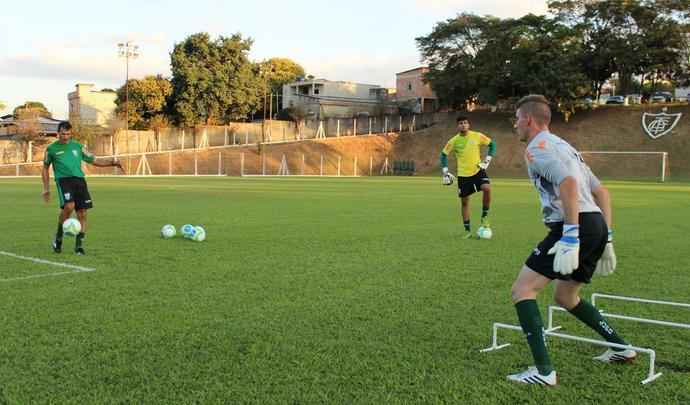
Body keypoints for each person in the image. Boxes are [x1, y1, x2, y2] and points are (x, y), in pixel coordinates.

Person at [508, 94, 629, 386]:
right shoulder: (568, 148)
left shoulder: (537, 149)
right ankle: (621, 348)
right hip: (595, 224)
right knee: (566, 297)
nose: (514, 126)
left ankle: (544, 372)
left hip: (574, 225)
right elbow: (602, 193)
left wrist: (571, 235)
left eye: (516, 120)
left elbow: (569, 183)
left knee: (522, 290)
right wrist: (607, 237)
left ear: (528, 120)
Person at [41, 121, 122, 255]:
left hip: (79, 181)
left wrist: (112, 163)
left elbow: (93, 160)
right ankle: (58, 238)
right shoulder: (51, 149)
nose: (65, 137)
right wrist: (46, 189)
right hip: (63, 180)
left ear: (70, 134)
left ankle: (79, 246)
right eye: (62, 134)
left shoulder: (78, 146)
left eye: (68, 134)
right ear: (58, 134)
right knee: (69, 206)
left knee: (83, 213)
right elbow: (45, 168)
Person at [440, 115, 496, 238]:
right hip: (463, 176)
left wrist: (487, 160)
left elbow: (492, 145)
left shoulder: (477, 136)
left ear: (468, 124)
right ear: (457, 126)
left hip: (478, 170)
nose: (463, 125)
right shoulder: (453, 141)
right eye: (461, 123)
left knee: (487, 188)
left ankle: (484, 217)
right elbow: (443, 155)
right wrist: (445, 171)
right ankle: (467, 231)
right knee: (465, 203)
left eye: (465, 123)